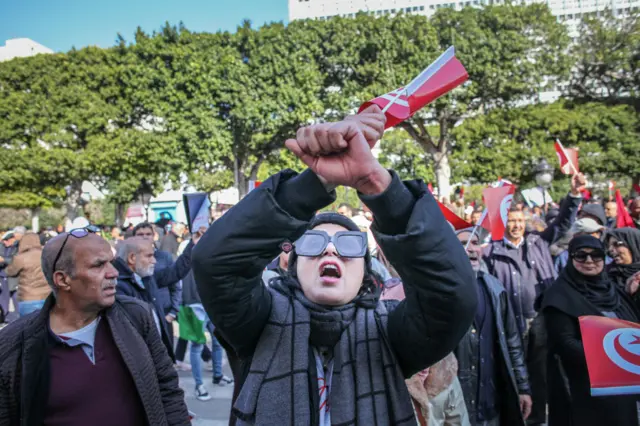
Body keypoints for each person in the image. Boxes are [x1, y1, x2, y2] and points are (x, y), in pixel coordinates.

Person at [192, 106, 477, 425]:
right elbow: (213, 263)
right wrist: (309, 186)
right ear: (293, 268)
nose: (330, 251)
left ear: (366, 275)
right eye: (313, 243)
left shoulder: (394, 333)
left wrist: (380, 187)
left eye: (348, 246)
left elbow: (453, 298)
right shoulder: (256, 323)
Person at [0, 230, 189, 425]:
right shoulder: (14, 346)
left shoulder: (136, 317)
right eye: (99, 265)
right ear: (63, 279)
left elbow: (168, 391)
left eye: (111, 262)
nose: (113, 272)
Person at [483, 173, 584, 425]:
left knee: (540, 373)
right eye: (511, 220)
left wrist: (573, 195)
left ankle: (537, 418)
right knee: (513, 372)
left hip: (538, 319)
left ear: (525, 222)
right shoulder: (491, 252)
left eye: (520, 220)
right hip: (508, 321)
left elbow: (563, 222)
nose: (516, 225)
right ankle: (515, 415)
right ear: (504, 222)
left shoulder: (538, 243)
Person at [541, 235, 640, 426]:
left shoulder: (613, 290)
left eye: (596, 255)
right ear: (570, 259)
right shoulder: (559, 295)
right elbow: (565, 343)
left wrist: (633, 296)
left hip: (619, 388)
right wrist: (608, 357)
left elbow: (631, 328)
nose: (589, 261)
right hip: (582, 388)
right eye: (581, 256)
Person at [455, 229, 532, 426]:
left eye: (475, 243)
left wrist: (522, 388)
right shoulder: (442, 291)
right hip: (457, 406)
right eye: (464, 243)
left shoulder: (495, 288)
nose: (471, 249)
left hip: (492, 405)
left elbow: (512, 343)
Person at [112, 236, 195, 359]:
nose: (154, 261)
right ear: (132, 258)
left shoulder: (147, 279)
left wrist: (193, 244)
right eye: (149, 256)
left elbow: (176, 272)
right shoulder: (119, 288)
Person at [133, 222, 186, 345]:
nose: (144, 237)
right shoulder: (129, 258)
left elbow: (175, 286)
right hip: (141, 315)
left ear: (154, 236)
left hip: (164, 312)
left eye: (148, 234)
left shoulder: (164, 257)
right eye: (140, 234)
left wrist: (173, 312)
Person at [4, 232, 50, 316]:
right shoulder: (46, 254)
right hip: (46, 296)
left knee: (28, 326)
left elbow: (10, 271)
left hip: (28, 297)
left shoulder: (20, 258)